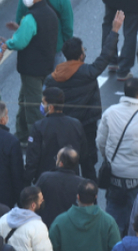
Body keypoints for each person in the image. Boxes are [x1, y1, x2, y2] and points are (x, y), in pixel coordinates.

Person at [47, 14, 123, 180]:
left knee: (68, 161)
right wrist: (115, 31)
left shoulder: (53, 77)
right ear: (81, 55)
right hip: (87, 125)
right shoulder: (88, 73)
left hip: (64, 125)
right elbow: (105, 56)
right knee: (88, 163)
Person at [97, 78, 138, 232]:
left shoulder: (110, 112)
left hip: (115, 175)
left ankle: (113, 249)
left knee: (113, 219)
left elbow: (100, 141)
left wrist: (109, 157)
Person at [2, 0, 61, 143]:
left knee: (32, 105)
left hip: (31, 69)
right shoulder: (50, 13)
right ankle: (21, 134)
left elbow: (20, 42)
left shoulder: (30, 18)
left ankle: (37, 139)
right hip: (46, 65)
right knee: (24, 100)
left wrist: (7, 43)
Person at [24, 87, 86, 183]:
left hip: (45, 180)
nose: (41, 106)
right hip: (71, 180)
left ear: (51, 107)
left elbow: (32, 159)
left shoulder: (39, 126)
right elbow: (85, 156)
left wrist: (26, 182)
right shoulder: (76, 124)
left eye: (43, 103)